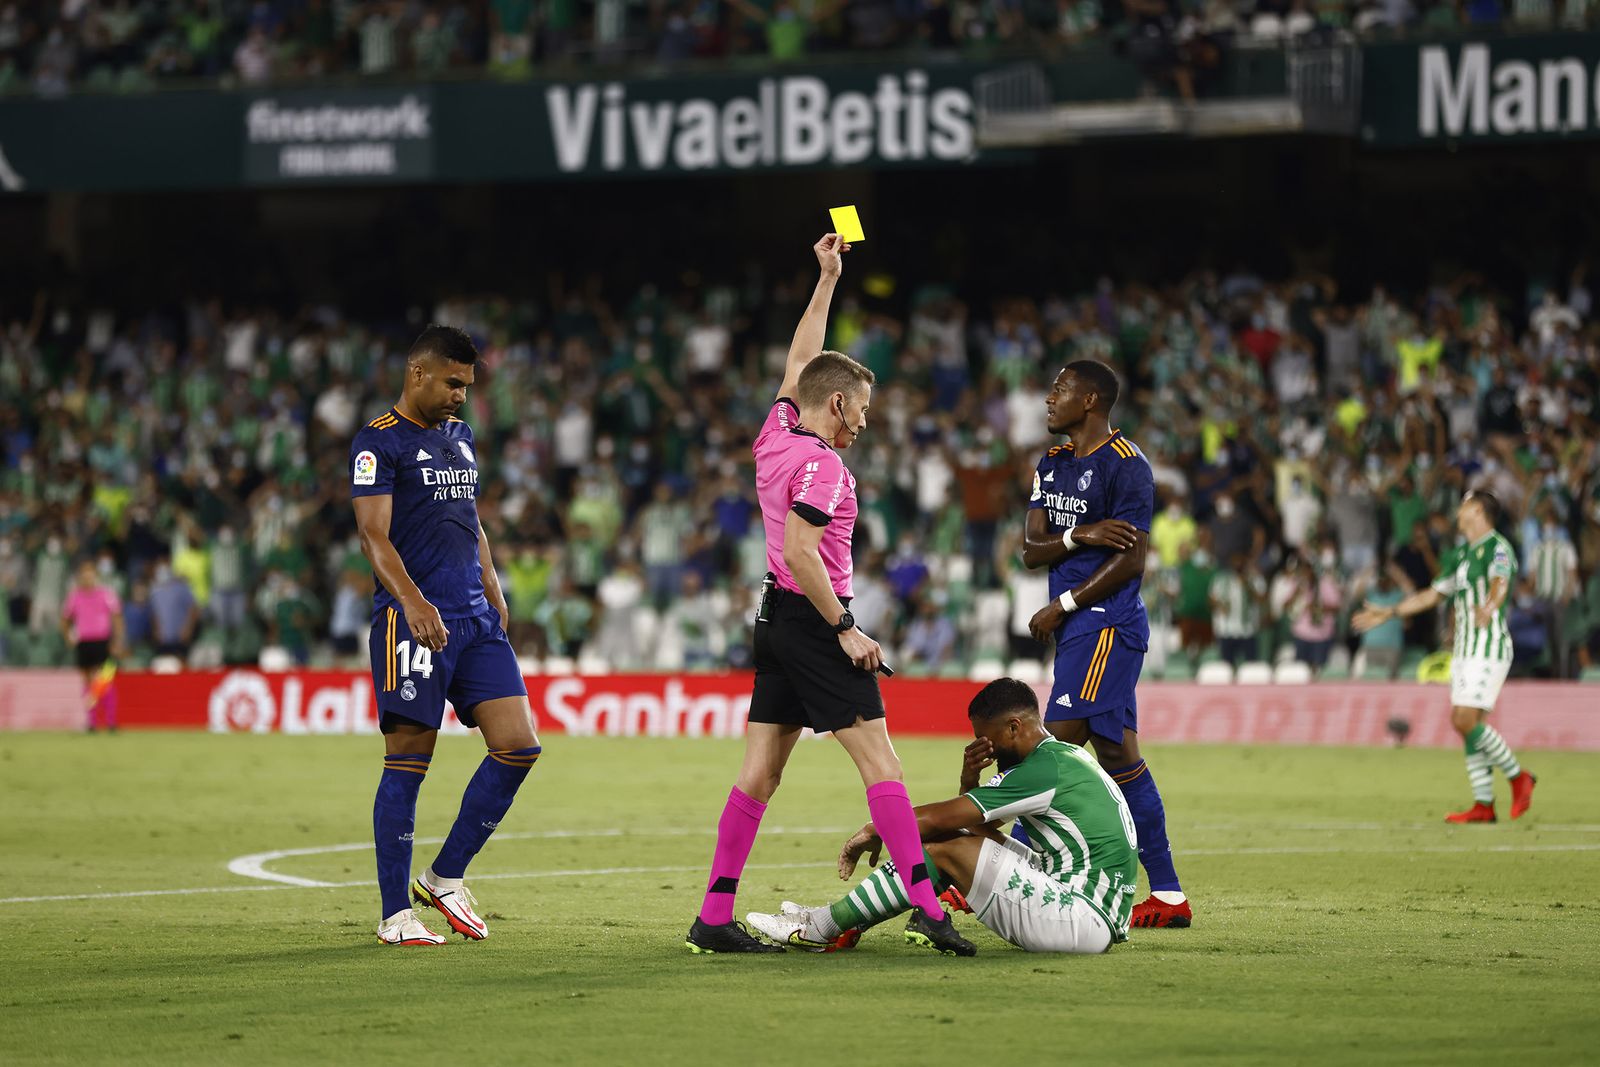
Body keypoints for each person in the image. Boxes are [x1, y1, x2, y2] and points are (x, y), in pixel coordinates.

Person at [685, 233, 972, 957]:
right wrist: (846, 626)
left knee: (761, 771)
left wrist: (828, 278)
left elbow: (798, 363)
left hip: (772, 618)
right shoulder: (825, 469)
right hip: (814, 620)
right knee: (884, 765)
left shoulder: (775, 433)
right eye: (863, 408)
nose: (866, 421)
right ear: (839, 403)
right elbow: (800, 552)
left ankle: (713, 917)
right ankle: (928, 905)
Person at [349, 325, 542, 947]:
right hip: (412, 623)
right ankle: (393, 914)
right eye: (453, 383)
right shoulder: (378, 443)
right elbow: (373, 537)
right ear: (418, 375)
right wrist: (412, 602)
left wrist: (491, 580)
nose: (462, 395)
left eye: (468, 385)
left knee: (518, 747)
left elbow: (470, 517)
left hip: (475, 620)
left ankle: (444, 876)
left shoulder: (461, 437)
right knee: (408, 763)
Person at [745, 678, 1138, 954]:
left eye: (989, 737)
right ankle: (840, 921)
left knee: (946, 849)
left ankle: (821, 927)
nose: (986, 746)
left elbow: (941, 820)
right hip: (1085, 904)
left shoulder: (1042, 770)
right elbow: (973, 825)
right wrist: (970, 779)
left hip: (1082, 917)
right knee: (957, 843)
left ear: (1015, 726)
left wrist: (874, 829)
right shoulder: (1060, 759)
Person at [1019, 360, 1192, 929]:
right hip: (1077, 630)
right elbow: (1031, 547)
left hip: (1105, 626)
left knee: (1045, 748)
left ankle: (996, 869)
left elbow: (1133, 560)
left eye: (1060, 389)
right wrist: (1081, 534)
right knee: (1119, 758)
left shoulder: (1128, 467)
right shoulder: (1054, 461)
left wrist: (1063, 604)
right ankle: (1167, 896)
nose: (1049, 398)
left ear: (1091, 400)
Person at [1353, 491, 1536, 823]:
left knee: (1463, 720)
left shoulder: (1498, 547)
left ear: (1479, 510)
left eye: (1464, 503)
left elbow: (1500, 582)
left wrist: (1491, 605)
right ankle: (1483, 804)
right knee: (1468, 725)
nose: (1458, 509)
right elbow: (1431, 596)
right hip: (1465, 650)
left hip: (1489, 645)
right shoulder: (1459, 556)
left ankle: (1518, 777)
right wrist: (1391, 611)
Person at [60, 560, 123, 732]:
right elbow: (65, 618)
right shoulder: (74, 596)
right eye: (84, 572)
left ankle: (111, 722)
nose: (87, 576)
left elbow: (117, 617)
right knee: (88, 682)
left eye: (90, 572)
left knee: (105, 681)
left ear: (96, 575)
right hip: (84, 642)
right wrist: (68, 637)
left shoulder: (106, 594)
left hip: (103, 642)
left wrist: (117, 641)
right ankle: (92, 722)